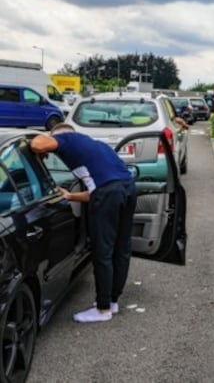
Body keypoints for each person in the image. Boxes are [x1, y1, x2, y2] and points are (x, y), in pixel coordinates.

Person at [30, 123, 137, 323]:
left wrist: (45, 145)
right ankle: (112, 301)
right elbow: (99, 191)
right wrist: (70, 195)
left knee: (103, 252)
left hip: (110, 193)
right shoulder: (98, 146)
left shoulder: (68, 139)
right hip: (128, 189)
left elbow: (37, 144)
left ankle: (102, 309)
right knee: (121, 249)